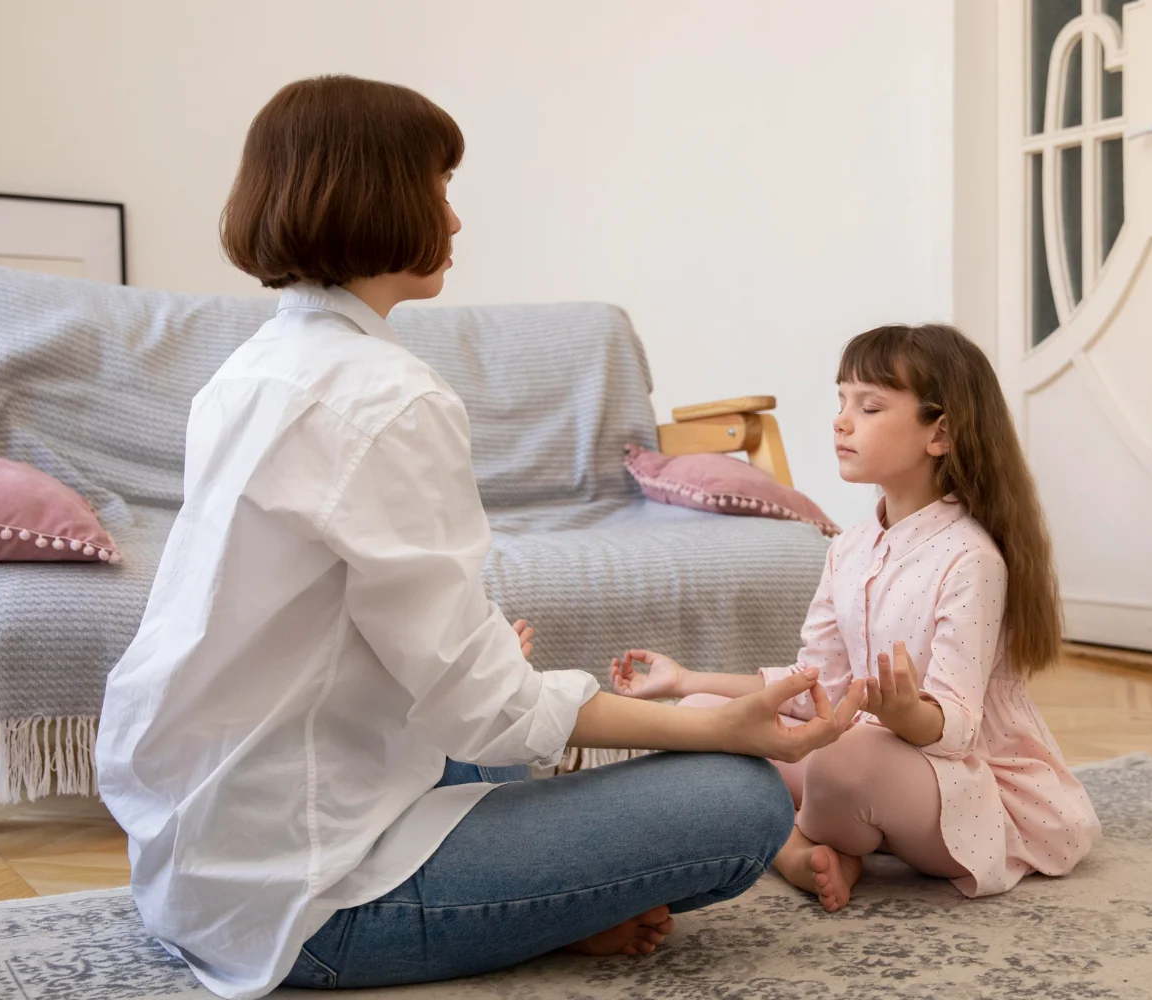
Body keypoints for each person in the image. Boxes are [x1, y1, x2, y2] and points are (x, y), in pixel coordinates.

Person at [95, 75, 865, 1000]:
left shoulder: (245, 374)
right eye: (439, 187)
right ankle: (539, 910)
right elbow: (488, 711)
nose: (454, 221)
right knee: (740, 800)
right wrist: (724, 729)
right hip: (311, 911)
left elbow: (336, 630)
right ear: (375, 194)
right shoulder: (391, 396)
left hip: (194, 864)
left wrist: (484, 678)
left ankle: (543, 896)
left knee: (497, 741)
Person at [612, 323, 1101, 911]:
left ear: (939, 433)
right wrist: (687, 680)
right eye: (840, 401)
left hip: (962, 787)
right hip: (864, 764)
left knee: (845, 761)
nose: (841, 421)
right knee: (702, 721)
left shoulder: (972, 559)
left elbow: (958, 730)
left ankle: (795, 842)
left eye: (868, 406)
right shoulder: (849, 548)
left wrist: (904, 714)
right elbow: (813, 686)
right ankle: (809, 845)